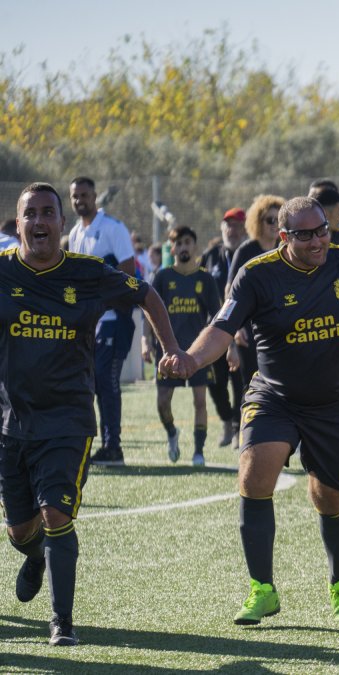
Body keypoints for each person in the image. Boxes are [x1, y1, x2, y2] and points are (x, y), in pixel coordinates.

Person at [163, 196, 339, 625]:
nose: (318, 240)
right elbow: (221, 328)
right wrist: (190, 358)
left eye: (322, 230)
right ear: (283, 237)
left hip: (336, 400)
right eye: (305, 234)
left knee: (331, 498)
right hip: (274, 396)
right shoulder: (256, 275)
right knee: (255, 475)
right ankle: (262, 589)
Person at [3, 182, 182, 645]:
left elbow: (146, 294)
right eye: (30, 215)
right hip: (10, 421)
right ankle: (35, 554)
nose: (39, 222)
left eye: (48, 214)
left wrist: (172, 349)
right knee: (21, 530)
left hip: (68, 419)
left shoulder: (88, 274)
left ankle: (62, 621)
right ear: (17, 223)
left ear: (64, 224)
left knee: (57, 515)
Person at [67, 177, 139, 467]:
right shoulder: (74, 233)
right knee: (93, 383)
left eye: (84, 194)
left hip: (112, 319)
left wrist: (103, 304)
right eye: (74, 196)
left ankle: (114, 447)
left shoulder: (113, 228)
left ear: (95, 196)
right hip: (89, 323)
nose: (79, 200)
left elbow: (128, 272)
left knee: (107, 382)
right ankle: (101, 443)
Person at [143, 226, 222, 466]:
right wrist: (145, 340)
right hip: (167, 351)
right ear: (173, 247)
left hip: (197, 352)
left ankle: (199, 451)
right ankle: (172, 433)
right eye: (179, 243)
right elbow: (149, 311)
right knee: (163, 401)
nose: (184, 247)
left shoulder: (205, 279)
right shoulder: (163, 277)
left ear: (194, 246)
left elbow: (217, 315)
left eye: (188, 242)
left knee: (200, 401)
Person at [201, 208, 248, 447]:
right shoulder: (211, 256)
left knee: (241, 382)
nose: (233, 230)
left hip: (242, 331)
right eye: (228, 225)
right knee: (215, 382)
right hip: (214, 330)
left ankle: (240, 427)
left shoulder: (250, 254)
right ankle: (227, 420)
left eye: (238, 225)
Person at [227, 195, 284, 393]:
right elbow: (230, 291)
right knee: (251, 387)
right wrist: (235, 328)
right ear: (257, 222)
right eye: (270, 220)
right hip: (249, 331)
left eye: (279, 220)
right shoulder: (245, 251)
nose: (275, 225)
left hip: (279, 327)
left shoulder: (286, 250)